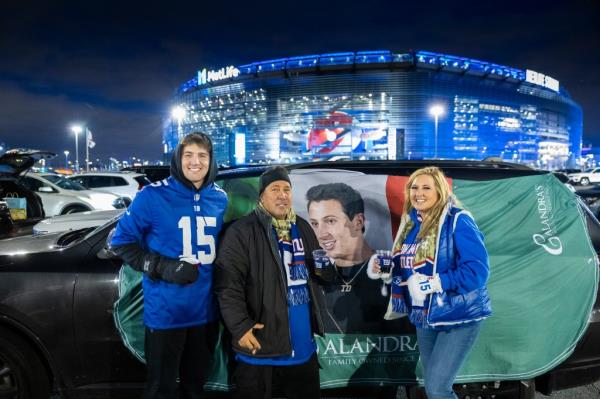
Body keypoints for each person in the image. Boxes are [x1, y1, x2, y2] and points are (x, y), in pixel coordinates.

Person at [110, 132, 228, 399]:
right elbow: (121, 241)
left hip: (206, 314)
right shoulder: (152, 196)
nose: (195, 162)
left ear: (211, 160)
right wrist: (161, 266)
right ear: (178, 158)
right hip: (166, 314)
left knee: (196, 389)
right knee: (160, 391)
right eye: (188, 155)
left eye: (202, 155)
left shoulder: (220, 198)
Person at [369, 166, 491, 399]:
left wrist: (433, 284)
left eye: (427, 187)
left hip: (458, 315)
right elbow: (408, 267)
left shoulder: (458, 220)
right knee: (432, 385)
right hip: (424, 315)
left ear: (440, 191)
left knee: (437, 389)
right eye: (414, 187)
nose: (419, 192)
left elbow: (478, 271)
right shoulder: (411, 225)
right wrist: (384, 267)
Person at [214, 166, 324, 399]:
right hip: (260, 346)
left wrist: (328, 272)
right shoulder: (242, 231)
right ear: (262, 195)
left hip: (302, 345)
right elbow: (227, 285)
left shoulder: (302, 227)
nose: (282, 195)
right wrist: (240, 326)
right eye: (275, 189)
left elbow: (317, 272)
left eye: (287, 189)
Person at [306, 182, 407, 334]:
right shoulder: (315, 274)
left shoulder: (392, 269)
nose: (321, 233)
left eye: (330, 221)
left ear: (358, 222)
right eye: (315, 223)